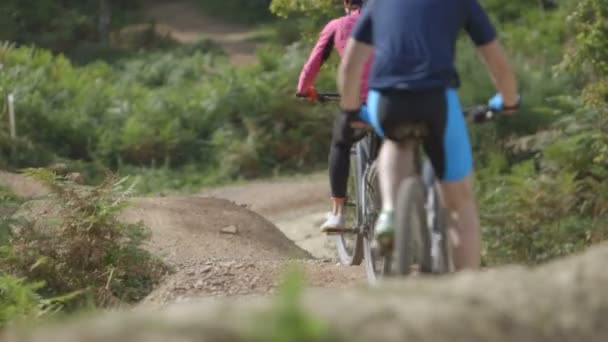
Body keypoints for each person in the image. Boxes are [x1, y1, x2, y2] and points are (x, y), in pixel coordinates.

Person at [337, 0, 520, 270]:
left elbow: (350, 66)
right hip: (436, 98)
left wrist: (350, 112)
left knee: (394, 142)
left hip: (387, 99)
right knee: (460, 206)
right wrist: (509, 101)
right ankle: (465, 294)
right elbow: (497, 63)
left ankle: (389, 212)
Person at [296, 0, 372, 233]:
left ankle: (338, 213)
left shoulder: (337, 26)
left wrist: (304, 89)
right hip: (396, 102)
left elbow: (313, 63)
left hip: (360, 106)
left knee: (340, 143)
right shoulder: (392, 21)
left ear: (347, 2)